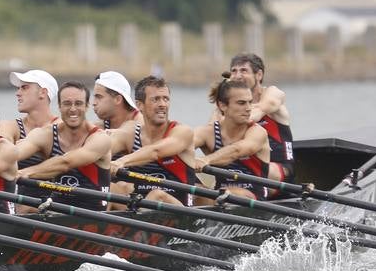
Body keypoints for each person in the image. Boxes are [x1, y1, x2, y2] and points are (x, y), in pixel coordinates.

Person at [15, 80, 112, 212]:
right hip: (57, 213)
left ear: (87, 106)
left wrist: (26, 172)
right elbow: (14, 154)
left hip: (92, 217)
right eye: (67, 103)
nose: (73, 109)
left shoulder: (100, 138)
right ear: (59, 106)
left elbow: (65, 162)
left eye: (78, 103)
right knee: (23, 208)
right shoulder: (45, 134)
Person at [111, 76, 199, 207]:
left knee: (157, 195)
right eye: (155, 99)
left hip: (180, 213)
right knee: (112, 188)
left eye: (166, 99)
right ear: (139, 105)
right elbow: (103, 149)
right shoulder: (130, 133)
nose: (162, 104)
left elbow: (156, 152)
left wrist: (121, 161)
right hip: (141, 211)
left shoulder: (182, 132)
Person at [191, 74, 272, 203]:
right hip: (218, 197)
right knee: (192, 191)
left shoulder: (257, 132)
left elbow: (237, 150)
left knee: (230, 194)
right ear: (222, 105)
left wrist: (206, 160)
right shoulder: (207, 132)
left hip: (253, 199)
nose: (248, 108)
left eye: (250, 102)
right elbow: (179, 148)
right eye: (241, 103)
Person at [228, 53, 294, 182]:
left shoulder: (272, 93)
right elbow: (213, 130)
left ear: (259, 75)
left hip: (280, 171)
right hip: (243, 171)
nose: (237, 76)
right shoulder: (228, 103)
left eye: (243, 71)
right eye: (234, 71)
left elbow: (256, 113)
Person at [4, 69, 59, 149]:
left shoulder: (61, 127)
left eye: (24, 88)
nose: (18, 93)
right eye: (18, 88)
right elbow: (1, 154)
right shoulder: (11, 126)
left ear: (42, 93)